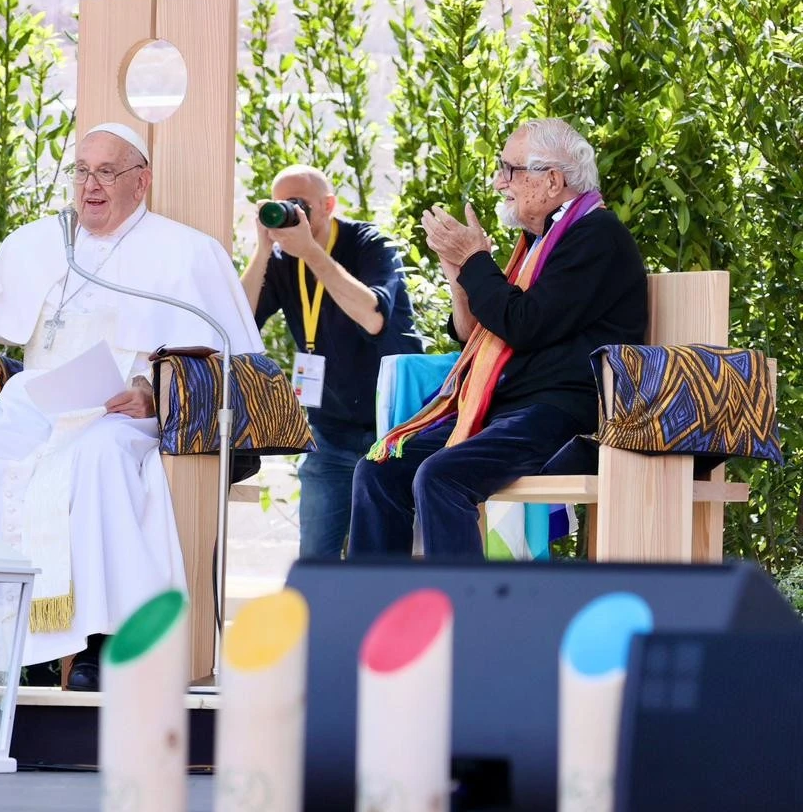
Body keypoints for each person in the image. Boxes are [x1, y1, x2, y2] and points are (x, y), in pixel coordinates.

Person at [0, 122, 262, 690]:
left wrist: (156, 390)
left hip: (125, 415)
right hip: (39, 405)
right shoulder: (39, 242)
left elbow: (233, 355)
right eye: (81, 171)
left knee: (96, 460)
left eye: (106, 171)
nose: (90, 185)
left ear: (140, 182)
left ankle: (105, 642)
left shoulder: (188, 252)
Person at [348, 119, 647, 557]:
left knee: (442, 475)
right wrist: (459, 277)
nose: (498, 181)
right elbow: (476, 333)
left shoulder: (596, 235)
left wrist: (474, 259)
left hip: (564, 414)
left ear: (552, 181)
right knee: (380, 468)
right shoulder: (541, 240)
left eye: (509, 169)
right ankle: (375, 616)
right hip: (510, 410)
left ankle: (467, 620)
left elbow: (523, 323)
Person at [240, 165, 423, 558]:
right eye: (281, 205)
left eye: (300, 205)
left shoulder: (370, 244)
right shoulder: (281, 258)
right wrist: (261, 249)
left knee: (378, 560)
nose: (292, 214)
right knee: (314, 561)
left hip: (391, 431)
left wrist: (310, 252)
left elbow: (373, 316)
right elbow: (238, 321)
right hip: (330, 432)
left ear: (328, 206)